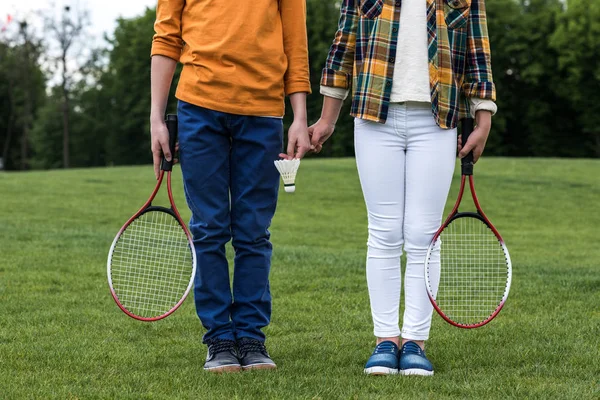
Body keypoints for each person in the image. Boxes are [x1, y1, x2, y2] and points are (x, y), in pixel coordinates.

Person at [309, 0, 497, 376]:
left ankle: (415, 342)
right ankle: (385, 340)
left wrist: (483, 117)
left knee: (424, 234)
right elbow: (343, 45)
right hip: (374, 116)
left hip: (437, 121)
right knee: (383, 231)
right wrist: (327, 119)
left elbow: (478, 52)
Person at [150, 0, 311, 373]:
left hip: (264, 112)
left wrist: (299, 117)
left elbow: (295, 44)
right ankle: (220, 338)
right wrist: (157, 118)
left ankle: (252, 338)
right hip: (198, 108)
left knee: (253, 232)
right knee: (208, 229)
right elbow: (166, 37)